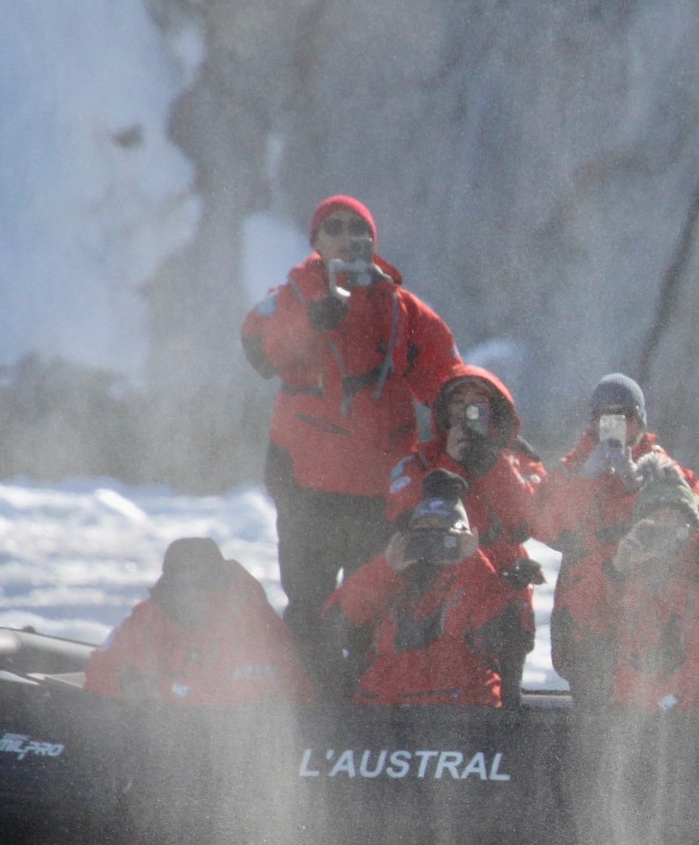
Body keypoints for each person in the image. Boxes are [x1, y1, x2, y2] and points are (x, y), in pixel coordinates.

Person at [240, 195, 460, 669]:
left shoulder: (401, 309)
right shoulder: (292, 298)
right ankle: (305, 707)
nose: (349, 238)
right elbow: (260, 352)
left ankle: (368, 710)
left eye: (360, 230)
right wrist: (311, 324)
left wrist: (484, 421)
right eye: (336, 228)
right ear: (316, 241)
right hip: (306, 486)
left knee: (375, 608)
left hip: (379, 492)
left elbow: (448, 382)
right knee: (309, 604)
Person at [528, 374, 699, 705]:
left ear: (640, 420)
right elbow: (543, 526)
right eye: (605, 417)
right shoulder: (573, 469)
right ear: (593, 423)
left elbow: (692, 528)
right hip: (586, 624)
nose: (615, 426)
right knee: (589, 725)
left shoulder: (663, 468)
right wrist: (588, 478)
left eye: (625, 416)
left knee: (642, 718)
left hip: (645, 623)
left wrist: (634, 484)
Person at [385, 365, 546, 702]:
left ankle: (506, 725)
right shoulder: (420, 459)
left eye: (478, 404)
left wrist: (490, 462)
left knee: (501, 681)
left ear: (495, 411)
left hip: (499, 590)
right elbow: (405, 517)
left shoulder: (518, 462)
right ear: (444, 410)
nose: (467, 412)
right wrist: (451, 462)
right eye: (459, 403)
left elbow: (525, 522)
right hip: (434, 581)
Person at [322, 472, 528, 709]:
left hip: (459, 719)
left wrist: (472, 564)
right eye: (423, 535)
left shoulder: (478, 579)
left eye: (444, 536)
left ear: (464, 538)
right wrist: (386, 570)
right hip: (383, 718)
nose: (432, 545)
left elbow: (503, 638)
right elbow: (333, 625)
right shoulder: (388, 578)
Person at [85, 537, 310, 705]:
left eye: (200, 582)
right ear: (168, 582)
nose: (190, 592)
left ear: (218, 582)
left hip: (237, 747)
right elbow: (100, 667)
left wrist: (159, 692)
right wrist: (124, 687)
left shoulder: (252, 624)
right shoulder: (147, 617)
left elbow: (246, 703)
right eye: (181, 582)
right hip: (160, 741)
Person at [609, 466, 699, 714]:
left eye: (673, 519)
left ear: (690, 525)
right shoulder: (636, 569)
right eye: (654, 521)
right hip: (644, 709)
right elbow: (608, 638)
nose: (663, 529)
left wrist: (661, 703)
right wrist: (617, 570)